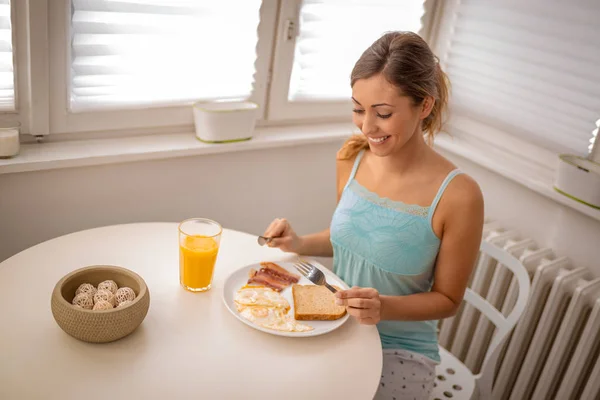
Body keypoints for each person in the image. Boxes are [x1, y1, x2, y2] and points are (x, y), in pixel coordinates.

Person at [262, 31, 484, 399]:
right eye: (358, 109)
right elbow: (350, 238)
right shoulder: (351, 157)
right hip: (333, 326)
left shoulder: (460, 196)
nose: (366, 127)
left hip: (399, 347)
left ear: (424, 106)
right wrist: (298, 242)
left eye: (382, 114)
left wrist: (382, 307)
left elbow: (448, 300)